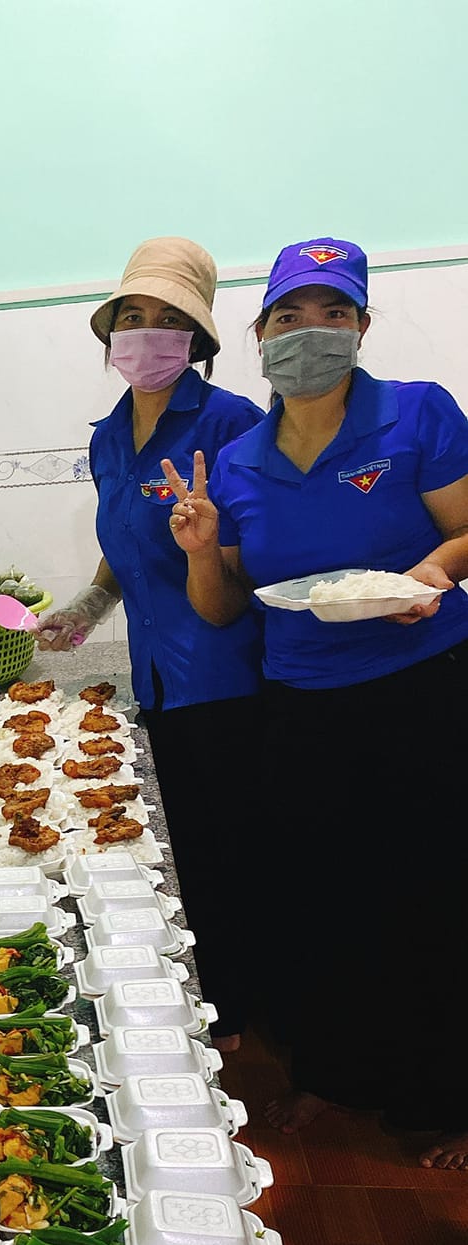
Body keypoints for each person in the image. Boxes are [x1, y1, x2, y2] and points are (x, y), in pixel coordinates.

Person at [163, 237, 468, 1167]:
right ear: (259, 335)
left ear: (362, 325)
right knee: (321, 897)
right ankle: (334, 1072)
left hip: (422, 689)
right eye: (289, 315)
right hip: (301, 705)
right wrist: (200, 549)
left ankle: (449, 1097)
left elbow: (464, 530)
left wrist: (430, 569)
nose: (311, 331)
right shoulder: (239, 462)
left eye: (334, 312)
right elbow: (224, 607)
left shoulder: (416, 413)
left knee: (435, 894)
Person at [39, 238, 265, 1050]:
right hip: (156, 678)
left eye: (168, 319)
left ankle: (249, 1019)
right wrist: (88, 604)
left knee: (238, 850)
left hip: (228, 675)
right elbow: (126, 543)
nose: (145, 332)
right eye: (130, 316)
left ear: (195, 339)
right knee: (188, 848)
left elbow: (245, 556)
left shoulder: (231, 423)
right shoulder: (106, 436)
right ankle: (215, 1003)